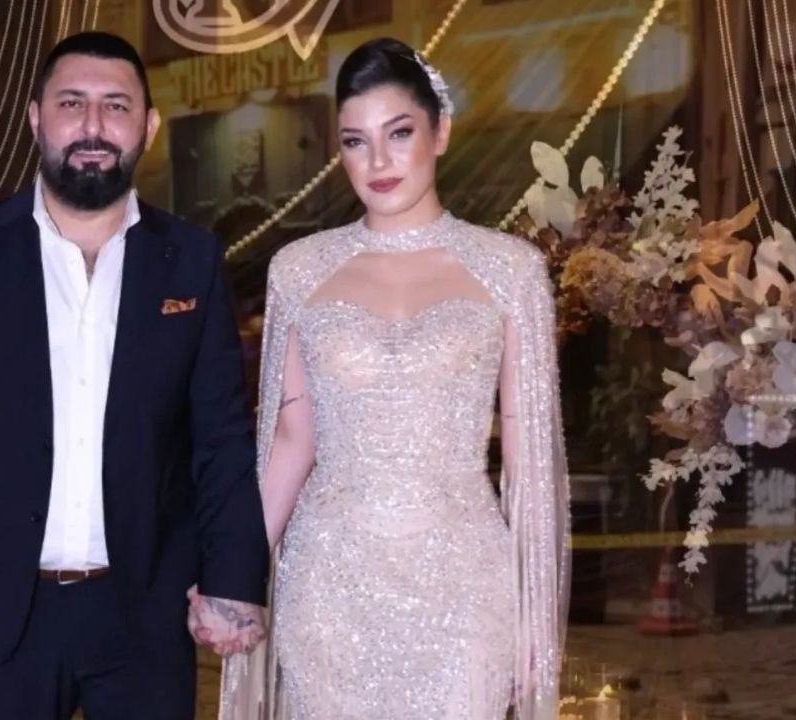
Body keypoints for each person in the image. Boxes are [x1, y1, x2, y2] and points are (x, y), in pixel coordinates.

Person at [0, 31, 270, 720]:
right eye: (71, 103)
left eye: (116, 106)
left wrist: (234, 579)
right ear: (36, 118)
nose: (93, 126)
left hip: (144, 610)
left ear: (148, 126)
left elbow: (222, 439)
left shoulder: (190, 259)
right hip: (1, 606)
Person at [217, 38, 570, 719]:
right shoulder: (299, 269)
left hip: (464, 584)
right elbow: (291, 440)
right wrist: (232, 574)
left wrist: (537, 612)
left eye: (399, 133)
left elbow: (529, 463)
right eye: (355, 141)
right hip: (329, 584)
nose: (377, 161)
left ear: (441, 131)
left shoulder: (511, 270)